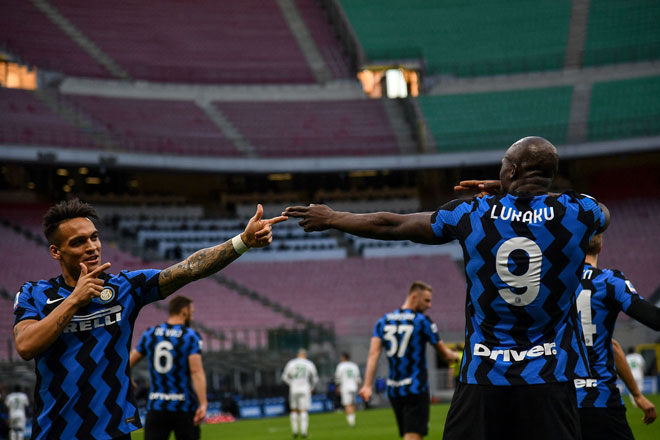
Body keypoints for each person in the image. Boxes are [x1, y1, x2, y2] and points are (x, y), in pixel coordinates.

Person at [285, 136, 610, 440]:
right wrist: (515, 190)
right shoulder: (577, 211)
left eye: (503, 166)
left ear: (511, 171)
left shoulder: (472, 212)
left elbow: (393, 224)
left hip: (484, 375)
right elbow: (603, 214)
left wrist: (332, 217)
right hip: (550, 376)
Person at [12, 199, 286, 439]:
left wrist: (242, 242)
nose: (92, 247)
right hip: (56, 431)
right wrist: (74, 300)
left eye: (94, 237)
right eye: (78, 242)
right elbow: (25, 346)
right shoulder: (34, 294)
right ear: (55, 252)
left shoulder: (124, 287)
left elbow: (188, 269)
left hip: (114, 429)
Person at [574, 232, 659, 440]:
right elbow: (655, 320)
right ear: (601, 247)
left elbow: (612, 346)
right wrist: (636, 395)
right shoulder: (609, 282)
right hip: (600, 400)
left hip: (560, 403)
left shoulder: (556, 284)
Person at [359, 281, 458, 440]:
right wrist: (459, 355)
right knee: (413, 436)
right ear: (413, 297)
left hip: (394, 390)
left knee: (408, 434)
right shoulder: (422, 321)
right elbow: (445, 354)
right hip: (415, 388)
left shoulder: (383, 321)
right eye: (426, 300)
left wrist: (367, 385)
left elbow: (373, 354)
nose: (429, 305)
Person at [129, 295, 206, 440]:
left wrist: (130, 380)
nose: (192, 316)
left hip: (157, 405)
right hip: (184, 405)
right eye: (192, 312)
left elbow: (127, 363)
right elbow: (196, 371)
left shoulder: (150, 334)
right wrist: (203, 403)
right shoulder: (190, 336)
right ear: (184, 311)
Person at [281, 349, 318, 438]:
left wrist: (291, 383)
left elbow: (284, 377)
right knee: (303, 410)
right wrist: (312, 388)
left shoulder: (291, 363)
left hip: (294, 389)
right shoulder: (309, 363)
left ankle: (295, 432)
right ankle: (304, 432)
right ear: (305, 355)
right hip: (305, 388)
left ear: (298, 355)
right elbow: (315, 378)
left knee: (294, 409)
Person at [334, 352, 361, 427]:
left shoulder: (340, 366)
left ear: (343, 358)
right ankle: (353, 419)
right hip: (353, 386)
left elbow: (337, 378)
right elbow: (358, 378)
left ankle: (351, 422)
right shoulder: (354, 365)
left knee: (347, 404)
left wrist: (337, 387)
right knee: (352, 404)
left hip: (345, 387)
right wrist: (359, 387)